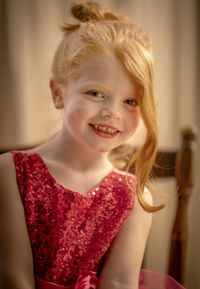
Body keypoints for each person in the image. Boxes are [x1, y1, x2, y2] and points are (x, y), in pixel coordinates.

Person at [0, 2, 185, 289]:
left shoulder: (133, 197)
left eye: (130, 101)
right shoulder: (10, 171)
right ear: (58, 93)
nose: (113, 112)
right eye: (96, 93)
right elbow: (13, 277)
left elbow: (120, 283)